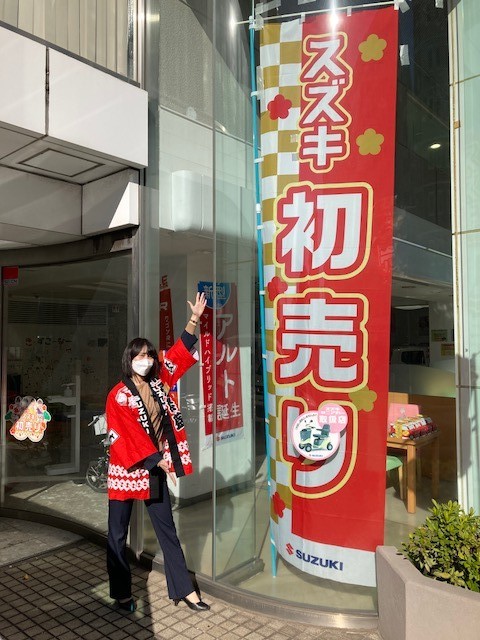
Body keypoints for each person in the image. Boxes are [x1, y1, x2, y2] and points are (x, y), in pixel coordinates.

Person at [105, 291, 210, 613]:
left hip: (154, 468)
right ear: (129, 359)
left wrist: (193, 319)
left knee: (168, 531)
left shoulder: (159, 380)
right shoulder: (119, 395)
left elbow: (178, 353)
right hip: (127, 469)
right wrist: (157, 459)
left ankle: (185, 590)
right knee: (117, 534)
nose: (147, 360)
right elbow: (125, 435)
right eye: (140, 356)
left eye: (150, 355)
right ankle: (122, 594)